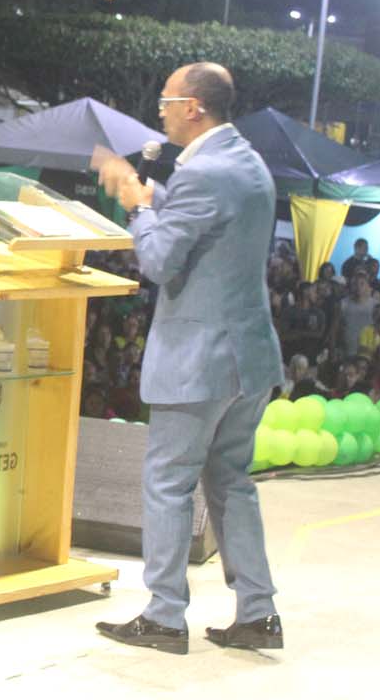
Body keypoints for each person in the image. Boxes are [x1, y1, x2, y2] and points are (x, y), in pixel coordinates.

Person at [95, 62, 283, 654]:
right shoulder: (246, 162)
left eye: (167, 101)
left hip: (200, 360)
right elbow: (210, 232)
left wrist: (137, 206)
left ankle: (164, 614)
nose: (161, 112)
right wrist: (159, 200)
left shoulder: (203, 171)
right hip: (248, 356)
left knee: (168, 482)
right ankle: (258, 611)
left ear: (194, 107)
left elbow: (158, 261)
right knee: (230, 481)